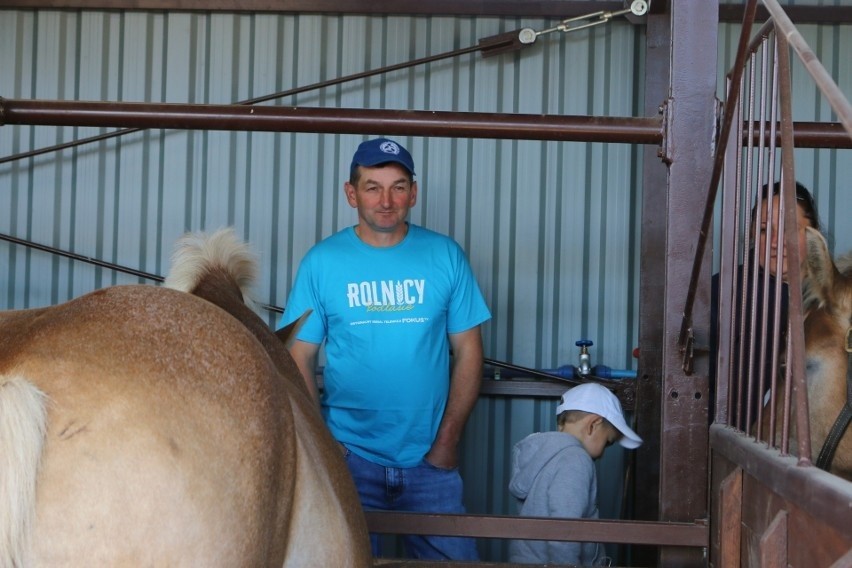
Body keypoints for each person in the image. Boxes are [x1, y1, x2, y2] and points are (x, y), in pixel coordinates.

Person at [278, 137, 491, 561]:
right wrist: (326, 444)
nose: (386, 200)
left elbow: (469, 352)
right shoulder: (322, 262)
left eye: (398, 186)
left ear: (414, 192)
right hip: (349, 460)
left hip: (431, 464)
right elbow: (298, 355)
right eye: (373, 187)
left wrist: (446, 442)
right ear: (351, 193)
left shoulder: (445, 256)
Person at [709, 180, 821, 428]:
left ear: (814, 234)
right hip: (737, 442)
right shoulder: (724, 291)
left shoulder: (829, 300)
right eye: (763, 230)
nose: (775, 242)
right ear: (751, 235)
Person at [508, 383, 642, 566]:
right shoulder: (575, 458)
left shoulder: (544, 458)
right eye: (608, 442)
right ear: (593, 426)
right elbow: (564, 526)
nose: (603, 453)